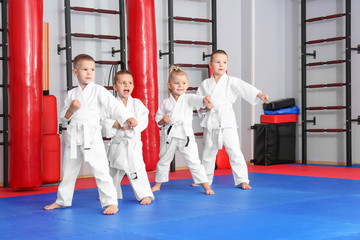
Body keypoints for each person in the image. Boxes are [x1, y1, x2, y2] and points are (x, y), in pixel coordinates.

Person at [44, 54, 138, 215]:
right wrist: (71, 109)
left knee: (101, 170)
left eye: (92, 69)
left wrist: (127, 117)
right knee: (68, 172)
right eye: (85, 69)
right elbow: (63, 118)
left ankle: (110, 202)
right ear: (75, 72)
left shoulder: (98, 90)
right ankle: (62, 200)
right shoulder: (71, 94)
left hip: (92, 137)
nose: (89, 72)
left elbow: (113, 106)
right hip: (74, 138)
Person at [197, 49, 269, 189]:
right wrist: (205, 105)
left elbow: (245, 88)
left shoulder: (231, 81)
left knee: (234, 150)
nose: (221, 65)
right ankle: (204, 180)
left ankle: (242, 180)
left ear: (227, 65)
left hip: (227, 121)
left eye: (224, 62)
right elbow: (198, 101)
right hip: (211, 121)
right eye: (217, 62)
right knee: (208, 153)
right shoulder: (205, 84)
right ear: (210, 64)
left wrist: (260, 95)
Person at [151, 66, 214, 195]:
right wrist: (164, 120)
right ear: (169, 85)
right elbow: (158, 119)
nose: (180, 86)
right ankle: (157, 184)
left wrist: (204, 99)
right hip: (170, 137)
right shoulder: (165, 102)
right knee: (163, 160)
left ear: (188, 85)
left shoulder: (188, 98)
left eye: (183, 83)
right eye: (176, 83)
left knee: (194, 162)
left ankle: (206, 186)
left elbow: (197, 100)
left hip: (186, 137)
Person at [101, 70, 154, 205]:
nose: (127, 85)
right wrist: (115, 124)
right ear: (114, 86)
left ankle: (145, 194)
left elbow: (144, 118)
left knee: (137, 168)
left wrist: (135, 124)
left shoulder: (136, 103)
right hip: (117, 143)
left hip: (132, 143)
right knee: (112, 170)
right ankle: (110, 194)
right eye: (122, 82)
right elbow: (103, 119)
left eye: (130, 83)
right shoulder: (111, 104)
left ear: (133, 86)